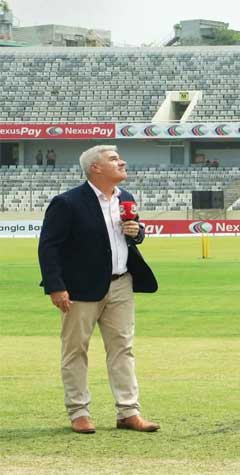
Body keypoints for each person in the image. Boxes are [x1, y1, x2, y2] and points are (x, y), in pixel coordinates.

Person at [37, 145, 160, 434]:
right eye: (114, 159)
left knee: (123, 349)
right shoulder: (67, 202)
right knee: (75, 351)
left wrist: (137, 233)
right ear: (96, 167)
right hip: (79, 289)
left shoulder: (125, 198)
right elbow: (49, 247)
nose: (122, 162)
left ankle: (128, 411)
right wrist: (56, 287)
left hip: (121, 284)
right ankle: (79, 412)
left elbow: (132, 233)